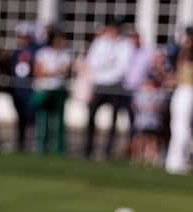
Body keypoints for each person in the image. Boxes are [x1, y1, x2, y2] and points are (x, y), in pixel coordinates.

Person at [83, 16, 133, 160]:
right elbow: (93, 62)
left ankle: (108, 150)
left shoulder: (126, 44)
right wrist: (108, 62)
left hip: (116, 83)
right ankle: (88, 147)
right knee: (91, 113)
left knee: (114, 116)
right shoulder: (99, 43)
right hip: (101, 82)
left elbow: (124, 66)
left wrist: (110, 65)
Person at [32, 27, 72, 155]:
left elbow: (67, 71)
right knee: (43, 119)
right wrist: (54, 71)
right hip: (45, 90)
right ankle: (42, 147)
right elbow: (39, 72)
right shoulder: (43, 53)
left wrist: (57, 71)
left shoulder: (66, 54)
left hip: (59, 90)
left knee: (59, 121)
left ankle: (59, 149)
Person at [166, 27, 193, 174]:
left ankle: (179, 160)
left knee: (183, 128)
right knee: (178, 127)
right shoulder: (181, 51)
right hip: (182, 91)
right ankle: (175, 161)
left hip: (189, 91)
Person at [9, 22, 37, 152]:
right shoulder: (16, 52)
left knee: (32, 116)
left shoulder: (35, 50)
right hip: (18, 88)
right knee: (20, 117)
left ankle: (34, 143)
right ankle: (21, 142)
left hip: (30, 89)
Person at [130, 71, 165, 165]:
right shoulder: (140, 91)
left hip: (152, 121)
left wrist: (152, 108)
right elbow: (135, 104)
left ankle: (149, 158)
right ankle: (137, 157)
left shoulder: (159, 93)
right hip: (141, 120)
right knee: (139, 138)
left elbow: (160, 106)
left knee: (151, 139)